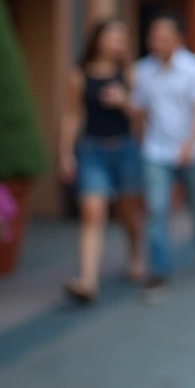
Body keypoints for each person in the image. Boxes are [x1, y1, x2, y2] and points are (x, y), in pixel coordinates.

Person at [132, 12, 195, 303]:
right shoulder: (142, 71)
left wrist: (188, 143)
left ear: (178, 39)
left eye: (163, 37)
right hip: (156, 151)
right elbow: (141, 111)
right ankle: (158, 271)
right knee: (156, 209)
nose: (157, 42)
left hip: (193, 152)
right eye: (153, 37)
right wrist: (142, 140)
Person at [59, 19, 144, 304]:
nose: (118, 42)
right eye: (112, 36)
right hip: (92, 150)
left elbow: (142, 116)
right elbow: (72, 116)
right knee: (92, 211)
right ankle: (88, 280)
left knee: (128, 211)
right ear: (98, 39)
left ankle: (135, 256)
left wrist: (124, 101)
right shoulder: (79, 74)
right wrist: (65, 153)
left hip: (125, 149)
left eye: (122, 37)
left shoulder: (129, 73)